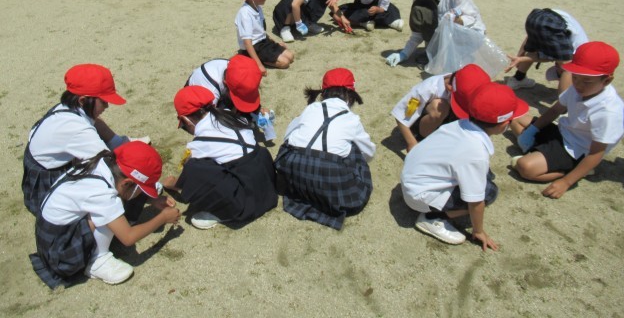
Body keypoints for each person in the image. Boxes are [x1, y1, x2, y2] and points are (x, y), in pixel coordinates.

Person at [30, 142, 181, 288]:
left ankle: (96, 248)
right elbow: (128, 237)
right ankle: (97, 260)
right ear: (127, 183)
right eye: (142, 190)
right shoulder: (103, 194)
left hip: (50, 234)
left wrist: (151, 199)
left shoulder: (103, 163)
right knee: (112, 211)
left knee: (112, 208)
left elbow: (124, 191)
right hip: (61, 255)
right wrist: (163, 218)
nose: (142, 193)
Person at [401, 82, 528, 250]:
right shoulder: (475, 151)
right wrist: (478, 230)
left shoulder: (459, 124)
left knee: (484, 177)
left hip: (414, 176)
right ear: (503, 125)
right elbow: (475, 201)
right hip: (419, 194)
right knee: (489, 193)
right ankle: (432, 218)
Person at [22, 64, 146, 216]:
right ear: (82, 100)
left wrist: (117, 143)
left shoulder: (67, 108)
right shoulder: (77, 130)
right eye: (103, 101)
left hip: (48, 163)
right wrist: (150, 187)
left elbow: (95, 121)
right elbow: (109, 166)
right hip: (48, 181)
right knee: (111, 182)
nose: (107, 106)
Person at [510, 42, 624, 199]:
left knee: (525, 167)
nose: (578, 84)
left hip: (577, 149)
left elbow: (596, 152)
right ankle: (540, 153)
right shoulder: (578, 87)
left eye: (586, 81)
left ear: (606, 81)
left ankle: (569, 170)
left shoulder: (609, 112)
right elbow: (556, 110)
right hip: (563, 131)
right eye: (575, 77)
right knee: (516, 121)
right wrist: (532, 130)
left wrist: (566, 182)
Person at [162, 85, 277, 229]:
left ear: (185, 119)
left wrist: (173, 184)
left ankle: (222, 212)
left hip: (247, 202)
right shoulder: (230, 114)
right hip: (267, 182)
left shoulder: (199, 144)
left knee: (193, 167)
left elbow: (193, 176)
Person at [274, 68, 375, 230]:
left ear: (323, 92)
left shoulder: (310, 109)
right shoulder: (352, 119)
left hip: (294, 168)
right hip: (330, 176)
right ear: (350, 95)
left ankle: (304, 190)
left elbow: (288, 137)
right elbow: (369, 153)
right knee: (354, 148)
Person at [386, 0, 485, 67]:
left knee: (453, 64)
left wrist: (459, 21)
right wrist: (404, 54)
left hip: (467, 37)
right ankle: (436, 54)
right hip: (444, 37)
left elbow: (472, 17)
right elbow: (418, 32)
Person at [391, 63, 490, 151]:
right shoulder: (425, 90)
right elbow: (402, 117)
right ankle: (422, 138)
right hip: (422, 122)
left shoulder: (464, 83)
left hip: (447, 118)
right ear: (449, 88)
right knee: (439, 107)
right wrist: (412, 143)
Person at [505, 8, 588, 94]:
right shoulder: (580, 53)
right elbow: (562, 61)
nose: (558, 70)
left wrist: (520, 56)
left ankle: (518, 78)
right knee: (568, 67)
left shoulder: (565, 44)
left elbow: (537, 50)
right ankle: (565, 100)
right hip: (553, 22)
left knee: (536, 47)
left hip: (535, 16)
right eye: (560, 74)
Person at [235, 0, 294, 76]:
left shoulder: (257, 7)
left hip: (263, 41)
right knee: (285, 63)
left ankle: (265, 55)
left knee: (290, 56)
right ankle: (251, 57)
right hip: (254, 46)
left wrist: (273, 42)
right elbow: (247, 43)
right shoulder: (245, 14)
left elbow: (260, 31)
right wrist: (259, 65)